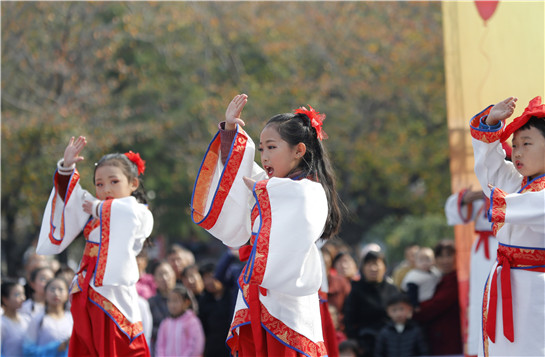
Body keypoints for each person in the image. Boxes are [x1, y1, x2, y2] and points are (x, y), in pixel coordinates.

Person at [191, 93, 343, 356]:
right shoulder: (270, 186)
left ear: (299, 151)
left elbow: (281, 194)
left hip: (290, 306)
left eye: (272, 147)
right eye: (261, 149)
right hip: (257, 297)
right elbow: (237, 171)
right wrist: (229, 129)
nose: (264, 156)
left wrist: (263, 190)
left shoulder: (309, 191)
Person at [35, 136, 154, 356]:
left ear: (133, 183)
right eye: (99, 184)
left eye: (114, 182)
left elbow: (127, 214)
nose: (106, 188)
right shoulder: (95, 209)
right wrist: (67, 167)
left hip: (113, 296)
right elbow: (69, 199)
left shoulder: (139, 213)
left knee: (119, 347)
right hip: (86, 290)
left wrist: (98, 208)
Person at [469, 96, 545, 356]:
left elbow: (533, 206)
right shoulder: (519, 183)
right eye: (515, 145)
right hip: (505, 281)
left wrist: (503, 204)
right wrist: (491, 122)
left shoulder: (532, 193)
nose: (519, 152)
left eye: (526, 143)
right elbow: (492, 173)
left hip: (538, 288)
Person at [445, 188, 498, 357]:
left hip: (506, 244)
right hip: (483, 251)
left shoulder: (521, 183)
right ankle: (479, 349)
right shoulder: (484, 189)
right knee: (480, 298)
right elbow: (453, 211)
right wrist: (466, 198)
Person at [342, 251, 399, 357]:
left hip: (392, 342)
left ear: (384, 267)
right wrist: (355, 342)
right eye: (369, 264)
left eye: (376, 264)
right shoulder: (356, 289)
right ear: (363, 268)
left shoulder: (392, 289)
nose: (373, 268)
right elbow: (349, 319)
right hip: (365, 344)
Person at [413, 240, 462, 355]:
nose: (445, 261)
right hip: (436, 340)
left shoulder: (455, 279)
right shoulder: (437, 277)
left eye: (449, 255)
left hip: (450, 343)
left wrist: (413, 310)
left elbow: (435, 305)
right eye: (440, 256)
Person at [23, 277, 73, 357]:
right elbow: (28, 351)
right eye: (52, 289)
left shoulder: (71, 319)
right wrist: (56, 347)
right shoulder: (37, 319)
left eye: (60, 289)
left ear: (67, 294)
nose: (56, 293)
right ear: (45, 294)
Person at [155, 285, 205, 357]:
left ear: (186, 302)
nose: (172, 305)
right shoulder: (165, 323)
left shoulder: (192, 321)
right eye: (170, 301)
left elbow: (196, 346)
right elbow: (160, 346)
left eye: (175, 301)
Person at [198, 262, 233, 357]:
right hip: (212, 349)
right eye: (205, 278)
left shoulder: (232, 295)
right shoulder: (204, 300)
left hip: (231, 346)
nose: (209, 281)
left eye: (211, 276)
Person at [148, 260, 177, 351]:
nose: (165, 278)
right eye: (160, 275)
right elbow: (150, 328)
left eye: (167, 273)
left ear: (174, 275)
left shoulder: (185, 298)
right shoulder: (151, 303)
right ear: (155, 279)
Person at [1, 279, 31, 357]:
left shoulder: (26, 319)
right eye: (17, 295)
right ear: (5, 299)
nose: (23, 298)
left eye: (23, 294)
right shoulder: (2, 323)